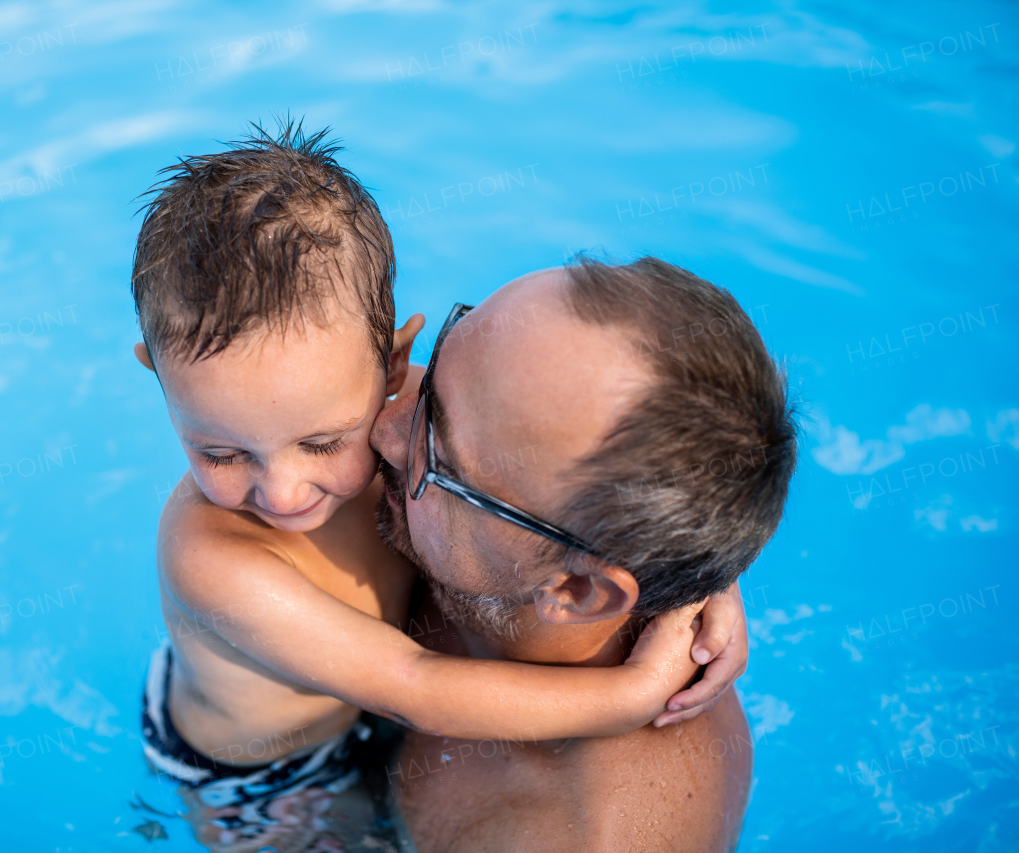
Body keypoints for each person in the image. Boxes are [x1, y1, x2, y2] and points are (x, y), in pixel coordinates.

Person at [128, 121, 751, 827]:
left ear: (390, 370)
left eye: (325, 441)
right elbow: (410, 682)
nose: (284, 491)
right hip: (257, 775)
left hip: (363, 695)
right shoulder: (213, 559)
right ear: (162, 384)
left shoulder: (389, 408)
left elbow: (596, 463)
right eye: (222, 454)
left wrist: (701, 573)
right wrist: (633, 695)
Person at [370, 258, 796, 852]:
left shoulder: (566, 833)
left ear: (575, 593)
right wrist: (712, 575)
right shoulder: (514, 523)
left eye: (434, 453)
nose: (380, 426)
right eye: (436, 365)